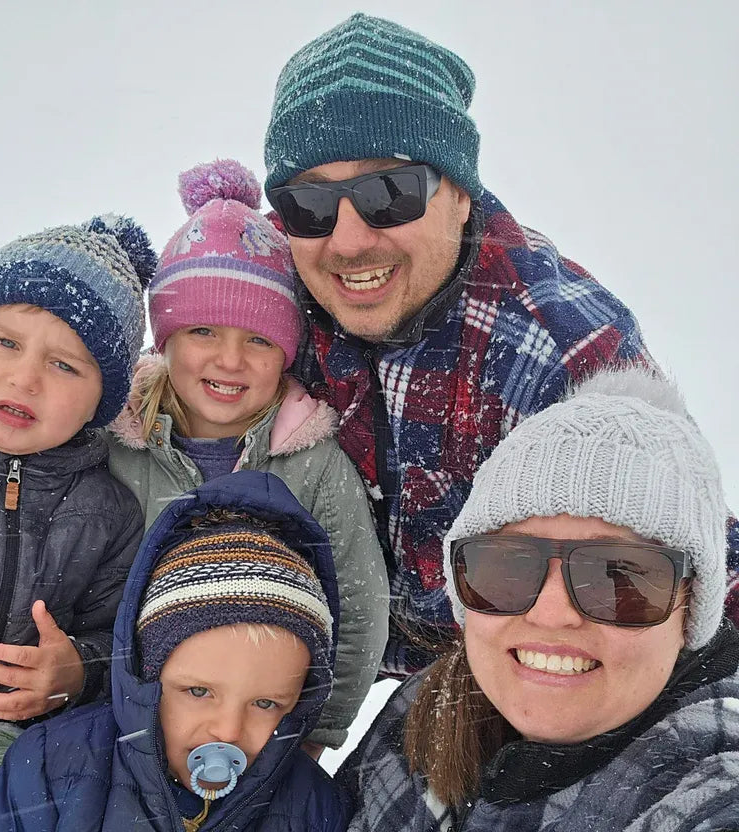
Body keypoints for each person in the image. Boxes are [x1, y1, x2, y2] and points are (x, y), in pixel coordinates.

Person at [262, 12, 739, 676]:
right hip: (309, 640)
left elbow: (692, 588)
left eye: (389, 193)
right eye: (308, 204)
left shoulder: (562, 349)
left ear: (459, 192)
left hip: (510, 665)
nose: (345, 241)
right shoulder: (258, 289)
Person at [338, 367, 739, 831]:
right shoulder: (427, 704)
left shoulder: (709, 782)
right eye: (508, 566)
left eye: (618, 577)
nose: (551, 614)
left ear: (691, 608)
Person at [105, 159, 388, 752]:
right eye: (203, 331)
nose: (230, 361)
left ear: (287, 352)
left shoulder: (308, 459)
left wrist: (319, 731)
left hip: (258, 735)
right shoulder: (115, 441)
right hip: (118, 722)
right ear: (167, 339)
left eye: (258, 339)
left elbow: (359, 605)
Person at [0, 215, 154, 830]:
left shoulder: (110, 513)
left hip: (4, 803)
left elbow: (124, 646)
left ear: (104, 397)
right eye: (5, 342)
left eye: (66, 365)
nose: (26, 377)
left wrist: (75, 674)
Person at [0, 471, 351, 832]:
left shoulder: (314, 807)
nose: (228, 731)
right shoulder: (51, 766)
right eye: (198, 692)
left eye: (265, 703)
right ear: (146, 671)